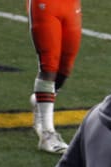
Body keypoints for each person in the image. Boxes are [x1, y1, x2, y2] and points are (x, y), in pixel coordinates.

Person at [27, 0, 82, 154]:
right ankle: (47, 134)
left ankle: (40, 100)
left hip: (70, 5)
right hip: (46, 5)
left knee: (65, 66)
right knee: (49, 65)